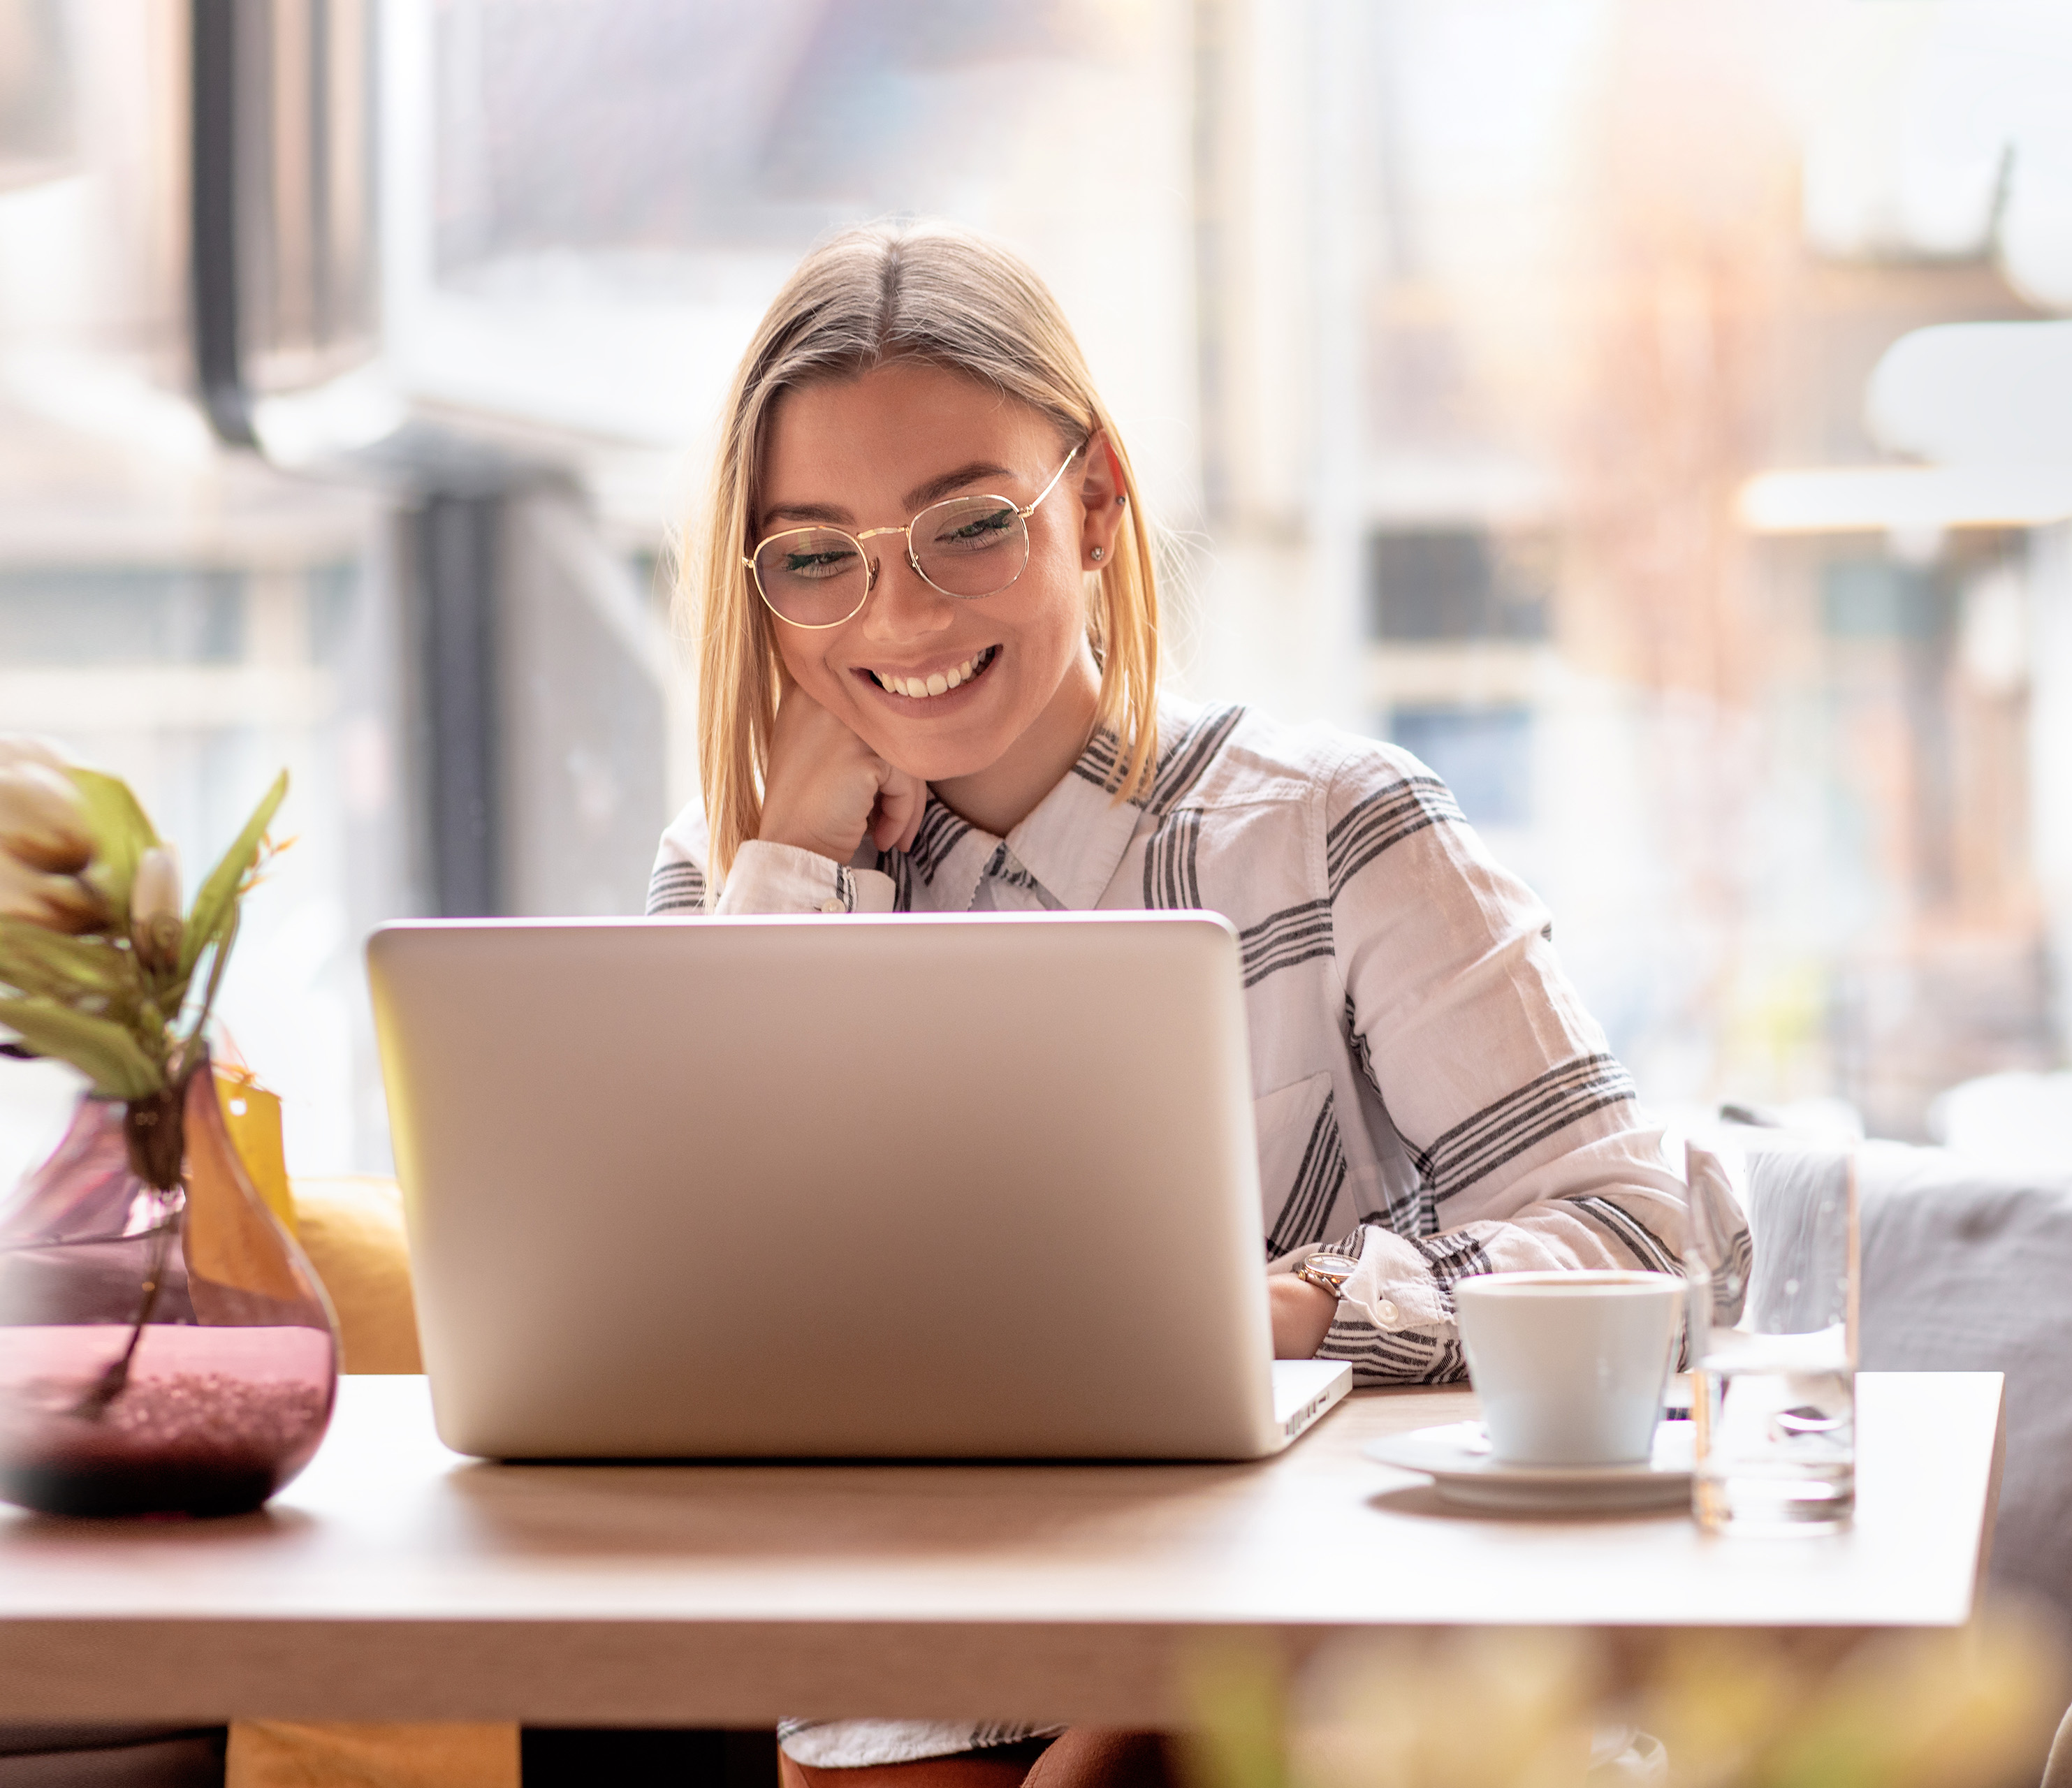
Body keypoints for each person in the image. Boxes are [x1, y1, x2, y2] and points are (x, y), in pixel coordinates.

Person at [645, 219, 1740, 1788]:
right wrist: (801, 858)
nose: (898, 619)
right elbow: (692, 1328)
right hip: (904, 1665)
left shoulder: (1329, 826)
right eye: (820, 555)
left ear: (1092, 504)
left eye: (966, 526)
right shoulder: (736, 873)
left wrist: (1297, 1309)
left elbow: (1645, 1236)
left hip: (1285, 1647)